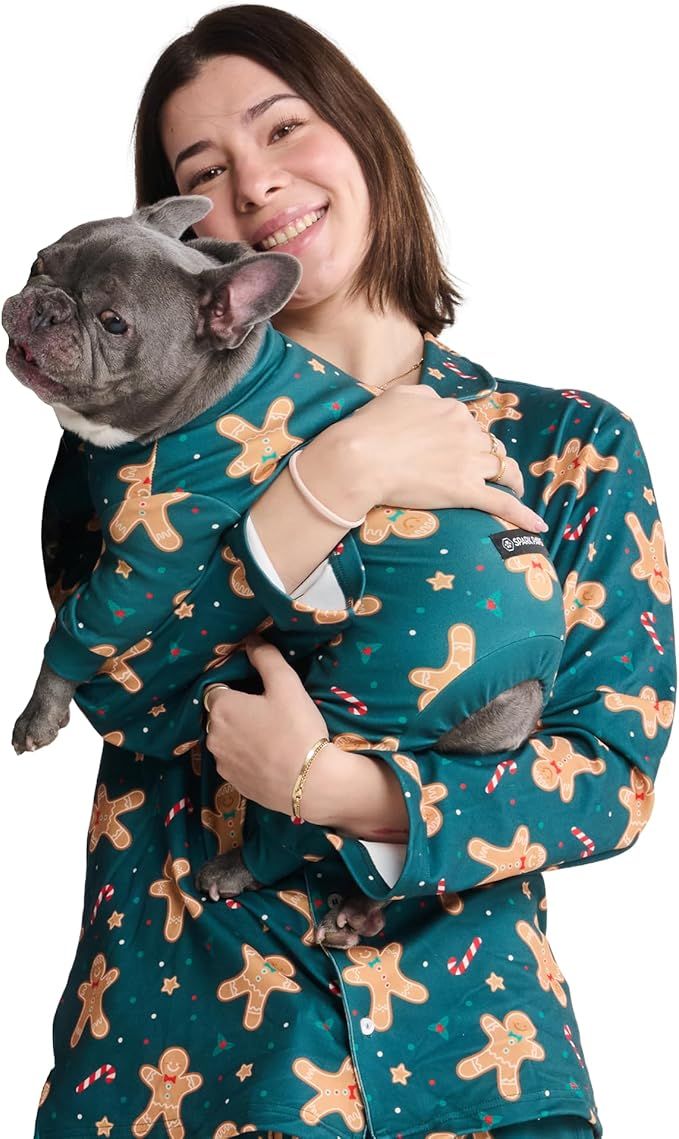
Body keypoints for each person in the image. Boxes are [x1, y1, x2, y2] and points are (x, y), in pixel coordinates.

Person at [33, 7, 674, 1139]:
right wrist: (317, 490)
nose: (257, 185)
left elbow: (604, 774)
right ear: (178, 244)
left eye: (285, 129)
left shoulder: (569, 444)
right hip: (181, 1066)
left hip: (478, 1072)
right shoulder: (121, 445)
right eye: (205, 170)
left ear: (367, 137)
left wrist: (344, 793)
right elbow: (121, 694)